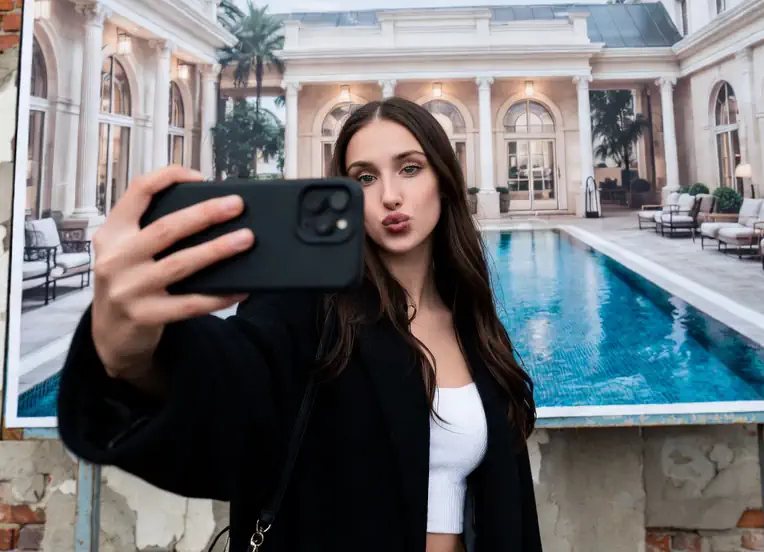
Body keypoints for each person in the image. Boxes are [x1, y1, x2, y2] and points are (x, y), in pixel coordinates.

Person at [57, 97, 542, 552]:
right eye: (364, 179)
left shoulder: (472, 319)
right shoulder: (307, 309)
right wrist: (130, 349)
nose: (390, 196)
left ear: (445, 177)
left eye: (410, 169)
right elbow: (230, 389)